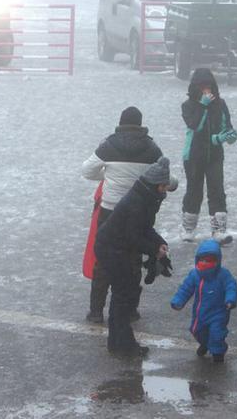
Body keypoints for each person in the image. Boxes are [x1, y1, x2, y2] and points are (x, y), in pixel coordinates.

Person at [81, 106, 163, 324]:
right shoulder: (152, 148)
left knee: (103, 258)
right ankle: (131, 310)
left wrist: (107, 177)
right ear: (141, 123)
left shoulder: (109, 145)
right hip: (136, 211)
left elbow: (87, 170)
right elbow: (166, 178)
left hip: (109, 210)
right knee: (133, 259)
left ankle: (96, 311)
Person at [94, 157, 177, 357]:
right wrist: (154, 250)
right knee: (123, 297)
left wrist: (159, 242)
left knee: (123, 296)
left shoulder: (145, 196)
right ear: (158, 185)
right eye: (165, 186)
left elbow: (144, 228)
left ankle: (117, 343)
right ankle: (124, 345)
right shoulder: (138, 202)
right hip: (112, 250)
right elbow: (133, 236)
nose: (166, 190)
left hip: (115, 247)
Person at [180, 68, 237, 243]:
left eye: (209, 86)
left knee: (217, 190)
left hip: (214, 155)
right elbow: (195, 125)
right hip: (194, 155)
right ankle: (188, 228)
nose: (206, 90)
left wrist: (229, 135)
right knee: (194, 190)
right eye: (202, 86)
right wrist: (203, 106)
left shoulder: (221, 104)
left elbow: (226, 125)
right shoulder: (188, 106)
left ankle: (219, 230)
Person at [171, 239, 237, 363]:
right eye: (202, 260)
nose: (204, 263)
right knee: (196, 330)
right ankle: (205, 344)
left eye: (208, 260)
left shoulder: (223, 275)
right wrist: (178, 301)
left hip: (219, 312)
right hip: (201, 312)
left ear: (217, 261)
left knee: (217, 333)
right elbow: (185, 289)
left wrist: (230, 300)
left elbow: (231, 287)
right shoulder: (195, 275)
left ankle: (218, 353)